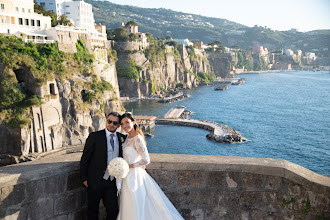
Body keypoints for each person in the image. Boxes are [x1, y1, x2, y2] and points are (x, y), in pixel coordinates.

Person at [117, 112, 184, 220]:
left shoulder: (138, 138)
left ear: (133, 122)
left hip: (135, 177)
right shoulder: (128, 138)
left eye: (127, 122)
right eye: (122, 124)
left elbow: (146, 160)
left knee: (135, 202)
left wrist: (129, 166)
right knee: (128, 203)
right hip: (127, 177)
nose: (125, 126)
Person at [80, 112, 127, 220]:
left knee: (113, 211)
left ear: (118, 125)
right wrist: (84, 179)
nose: (111, 124)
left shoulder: (122, 138)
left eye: (115, 123)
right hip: (94, 180)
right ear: (106, 121)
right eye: (109, 121)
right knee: (92, 211)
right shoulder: (95, 136)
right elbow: (85, 158)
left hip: (111, 182)